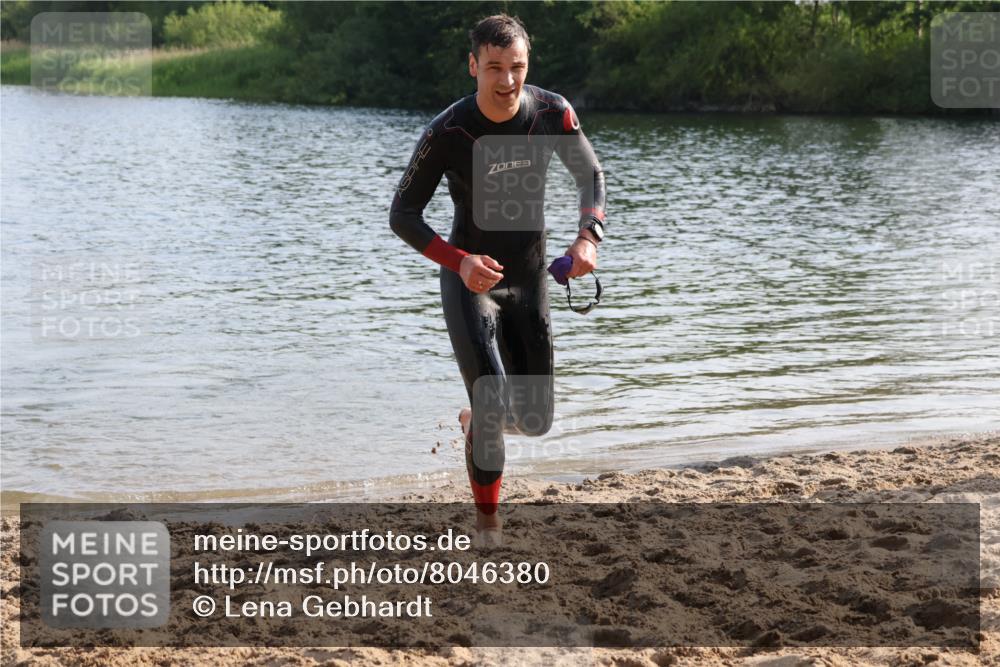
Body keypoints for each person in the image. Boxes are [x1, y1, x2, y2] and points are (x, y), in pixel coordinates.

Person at [389, 14, 606, 537]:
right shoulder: (448, 130)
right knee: (491, 404)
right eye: (494, 68)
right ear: (473, 66)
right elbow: (403, 215)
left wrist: (588, 237)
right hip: (470, 282)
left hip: (529, 282)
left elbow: (591, 175)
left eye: (517, 67)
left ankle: (473, 422)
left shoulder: (552, 112)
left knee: (534, 420)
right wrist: (459, 261)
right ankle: (488, 526)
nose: (507, 80)